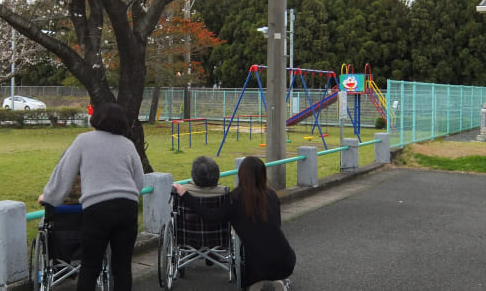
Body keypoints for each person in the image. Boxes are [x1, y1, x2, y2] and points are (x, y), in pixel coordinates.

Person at [39, 102, 145, 291]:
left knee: (90, 267)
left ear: (96, 119)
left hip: (97, 209)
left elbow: (64, 173)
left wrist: (50, 198)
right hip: (127, 208)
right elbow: (139, 181)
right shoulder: (128, 145)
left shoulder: (83, 140)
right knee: (122, 268)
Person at [173, 156, 296, 291]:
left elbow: (211, 216)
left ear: (241, 175)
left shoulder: (235, 198)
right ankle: (276, 279)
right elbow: (276, 225)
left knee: (255, 265)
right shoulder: (272, 195)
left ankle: (258, 280)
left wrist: (185, 195)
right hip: (286, 260)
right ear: (263, 174)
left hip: (256, 267)